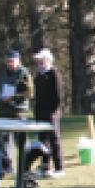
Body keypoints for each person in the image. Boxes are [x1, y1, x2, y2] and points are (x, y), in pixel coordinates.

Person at [0, 49, 34, 173]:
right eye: (8, 61)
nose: (10, 63)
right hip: (4, 112)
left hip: (19, 112)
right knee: (4, 141)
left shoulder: (24, 73)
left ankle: (25, 167)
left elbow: (29, 93)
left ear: (18, 61)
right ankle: (7, 167)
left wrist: (13, 98)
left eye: (12, 61)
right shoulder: (2, 74)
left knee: (21, 141)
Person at [33, 48, 65, 178]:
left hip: (51, 112)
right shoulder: (38, 75)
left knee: (54, 139)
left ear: (48, 60)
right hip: (40, 112)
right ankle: (45, 166)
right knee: (42, 141)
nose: (40, 62)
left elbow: (58, 95)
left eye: (42, 60)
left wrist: (53, 111)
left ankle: (59, 168)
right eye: (39, 60)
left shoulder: (54, 74)